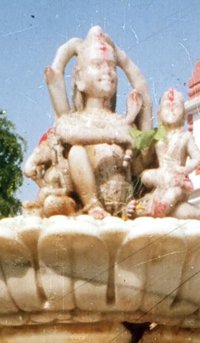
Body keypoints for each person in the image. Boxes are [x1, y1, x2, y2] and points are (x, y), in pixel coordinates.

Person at [43, 27, 152, 218]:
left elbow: (144, 94)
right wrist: (69, 49)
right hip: (93, 211)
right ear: (79, 79)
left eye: (112, 65)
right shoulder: (74, 119)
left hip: (125, 207)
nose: (108, 71)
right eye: (97, 64)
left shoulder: (123, 122)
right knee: (76, 150)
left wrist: (123, 60)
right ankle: (91, 204)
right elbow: (54, 74)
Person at [136, 88, 200, 220]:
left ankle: (155, 212)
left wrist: (186, 169)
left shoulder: (186, 136)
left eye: (176, 106)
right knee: (146, 175)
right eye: (167, 106)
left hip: (177, 177)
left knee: (173, 193)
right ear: (159, 115)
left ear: (183, 115)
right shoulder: (157, 136)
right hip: (162, 174)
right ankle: (153, 208)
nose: (171, 109)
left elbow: (197, 157)